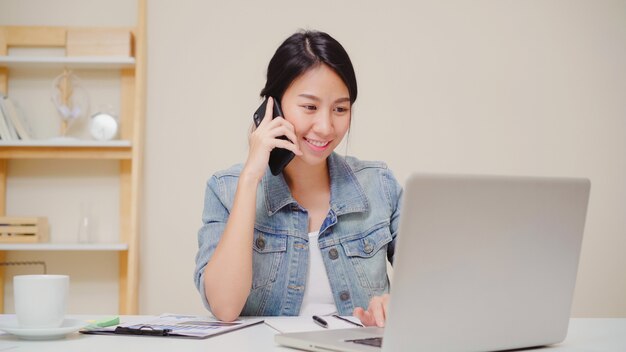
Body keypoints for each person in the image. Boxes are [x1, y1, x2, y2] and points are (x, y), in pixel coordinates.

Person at [194, 30, 402, 327]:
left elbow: (434, 284)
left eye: (340, 109)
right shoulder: (225, 189)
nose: (326, 126)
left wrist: (396, 303)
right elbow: (225, 307)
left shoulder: (379, 184)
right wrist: (251, 176)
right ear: (272, 107)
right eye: (309, 107)